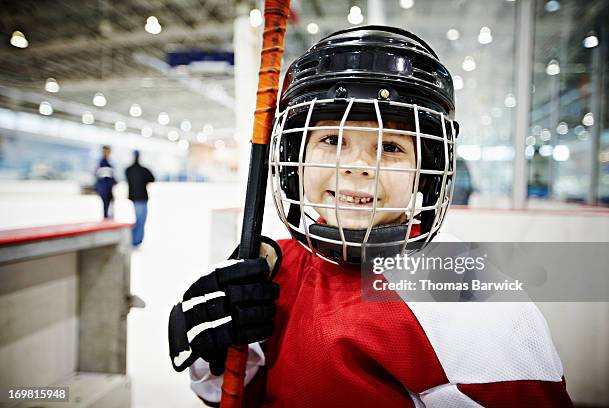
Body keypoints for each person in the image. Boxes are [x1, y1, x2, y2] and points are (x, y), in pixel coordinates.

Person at [168, 26, 573, 406]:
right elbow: (247, 394)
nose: (359, 166)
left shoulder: (471, 299)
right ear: (295, 161)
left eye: (392, 148)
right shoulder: (272, 269)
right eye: (332, 139)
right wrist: (216, 359)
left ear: (426, 173)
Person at [125, 150, 155, 247]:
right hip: (141, 198)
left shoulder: (129, 170)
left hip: (134, 197)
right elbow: (152, 178)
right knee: (141, 220)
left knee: (139, 219)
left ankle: (136, 239)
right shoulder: (143, 170)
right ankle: (135, 240)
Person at [94, 145, 116, 219]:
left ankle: (107, 217)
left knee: (108, 204)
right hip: (104, 187)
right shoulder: (103, 162)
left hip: (107, 187)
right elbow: (104, 176)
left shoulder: (108, 162)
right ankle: (106, 218)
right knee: (106, 204)